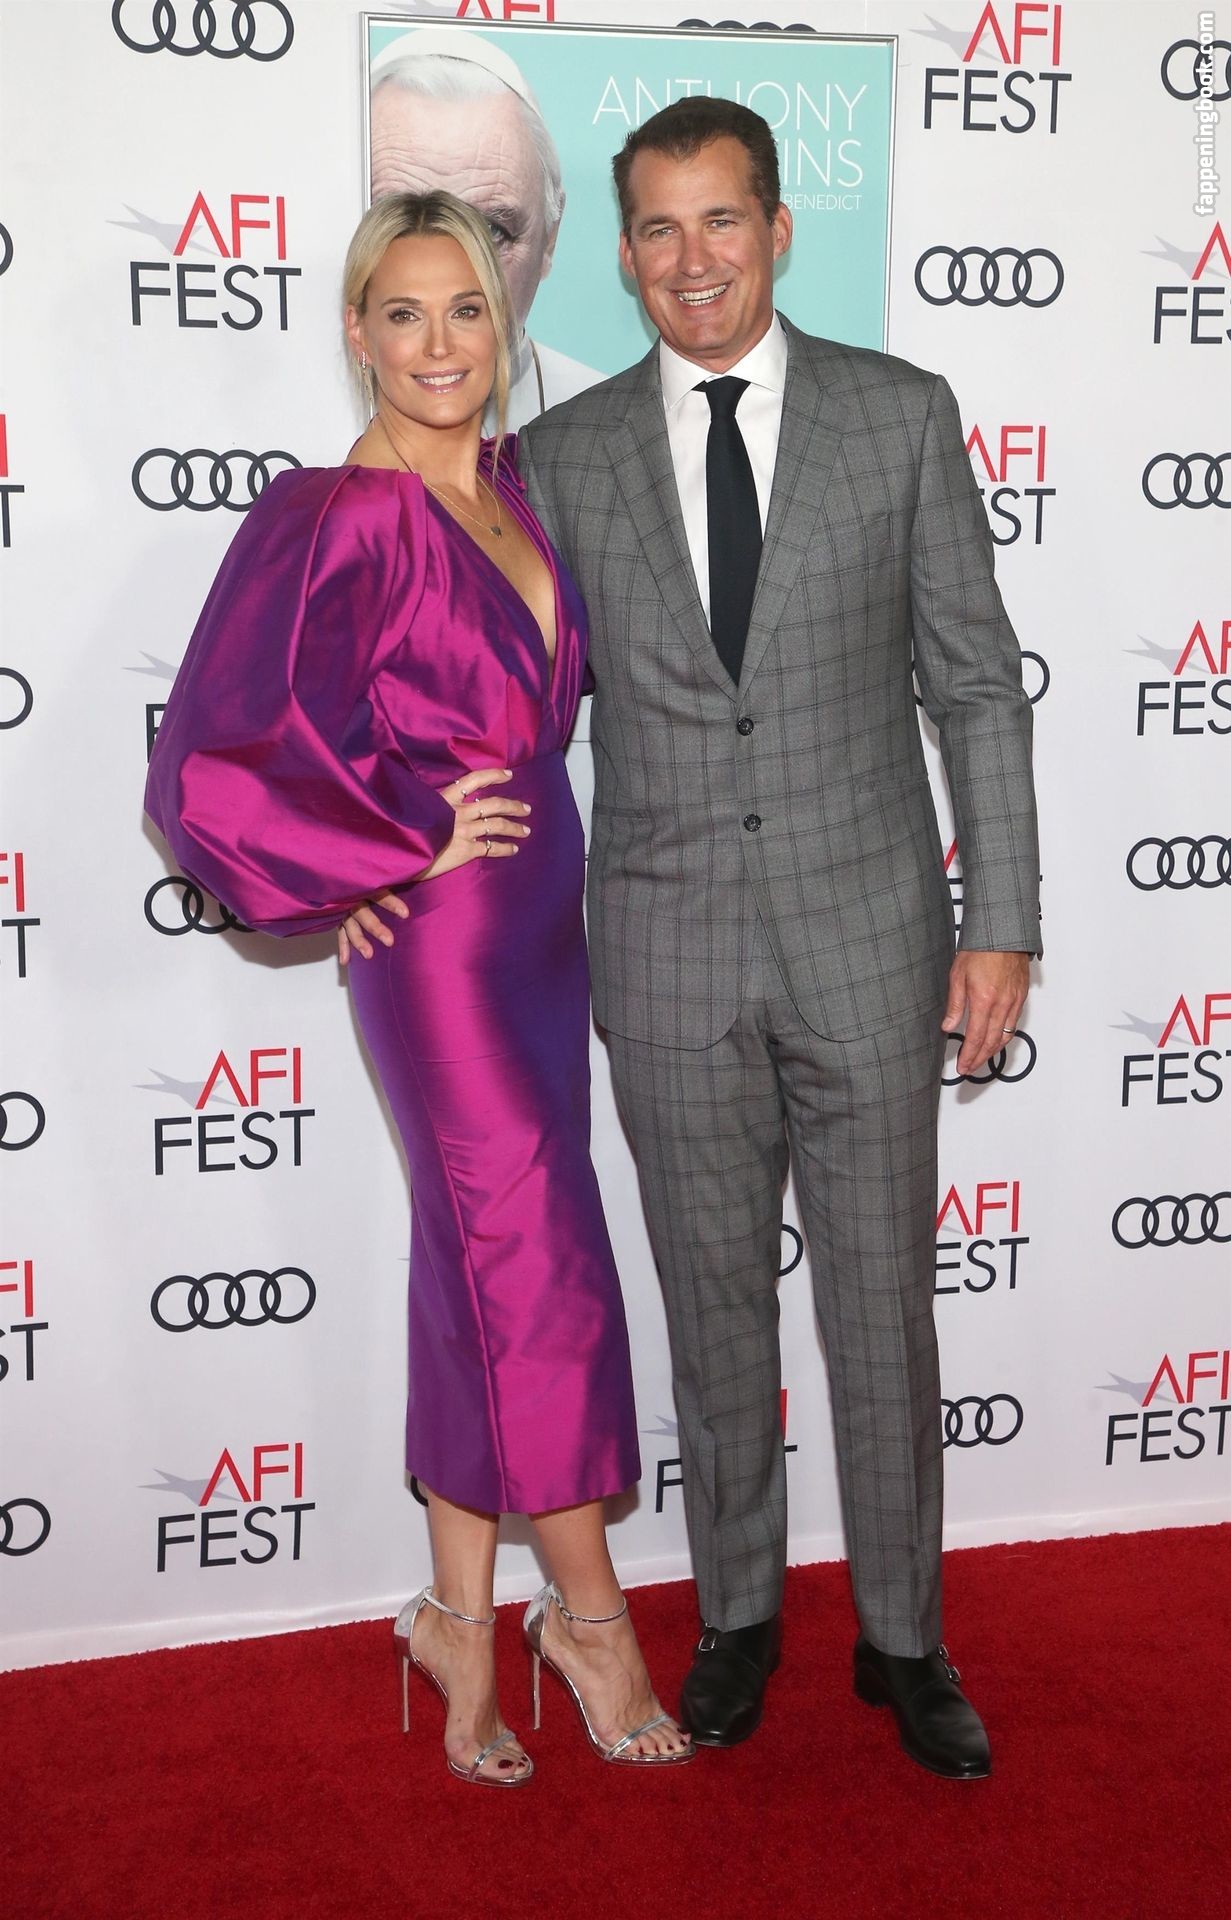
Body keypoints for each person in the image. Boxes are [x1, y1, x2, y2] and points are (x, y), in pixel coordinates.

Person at [514, 98, 1042, 1780]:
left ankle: (905, 1639)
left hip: (872, 940)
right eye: (659, 229)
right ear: (622, 253)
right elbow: (500, 709)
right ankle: (736, 1616)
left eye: (721, 220)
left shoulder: (898, 416)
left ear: (777, 228)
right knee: (710, 1307)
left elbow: (975, 685)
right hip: (664, 953)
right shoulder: (561, 458)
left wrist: (1000, 922)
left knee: (881, 1309)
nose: (694, 261)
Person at [145, 190, 691, 1784]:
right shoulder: (329, 516)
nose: (439, 343)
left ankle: (458, 1616)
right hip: (442, 944)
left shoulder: (519, 485)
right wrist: (384, 845)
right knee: (534, 1254)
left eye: (466, 309)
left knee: (477, 1262)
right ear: (356, 330)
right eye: (403, 312)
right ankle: (590, 1621)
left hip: (543, 923)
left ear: (501, 324)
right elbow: (205, 764)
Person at [369, 29, 601, 428]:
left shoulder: (611, 425)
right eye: (402, 225)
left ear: (550, 237)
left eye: (492, 230)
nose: (447, 277)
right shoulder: (289, 412)